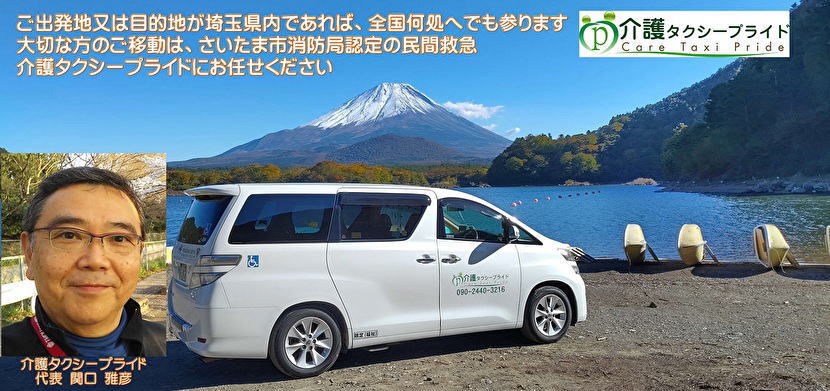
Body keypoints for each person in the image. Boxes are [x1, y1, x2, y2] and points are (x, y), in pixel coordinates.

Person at [1, 166, 165, 356]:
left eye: (119, 238)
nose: (95, 260)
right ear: (29, 252)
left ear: (139, 254)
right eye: (69, 235)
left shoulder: (161, 343)